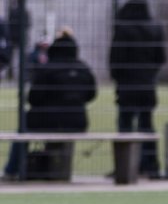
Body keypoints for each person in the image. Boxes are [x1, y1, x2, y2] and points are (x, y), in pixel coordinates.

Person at [2, 29, 97, 180]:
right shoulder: (84, 69)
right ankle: (54, 169)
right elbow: (91, 95)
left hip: (44, 121)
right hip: (77, 122)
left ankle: (12, 170)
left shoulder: (46, 68)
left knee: (22, 129)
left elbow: (33, 97)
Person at [108, 0, 166, 178]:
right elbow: (161, 58)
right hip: (147, 84)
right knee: (147, 125)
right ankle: (151, 166)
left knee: (125, 125)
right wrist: (150, 74)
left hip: (127, 84)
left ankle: (125, 167)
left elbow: (115, 58)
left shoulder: (123, 28)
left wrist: (118, 77)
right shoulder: (156, 28)